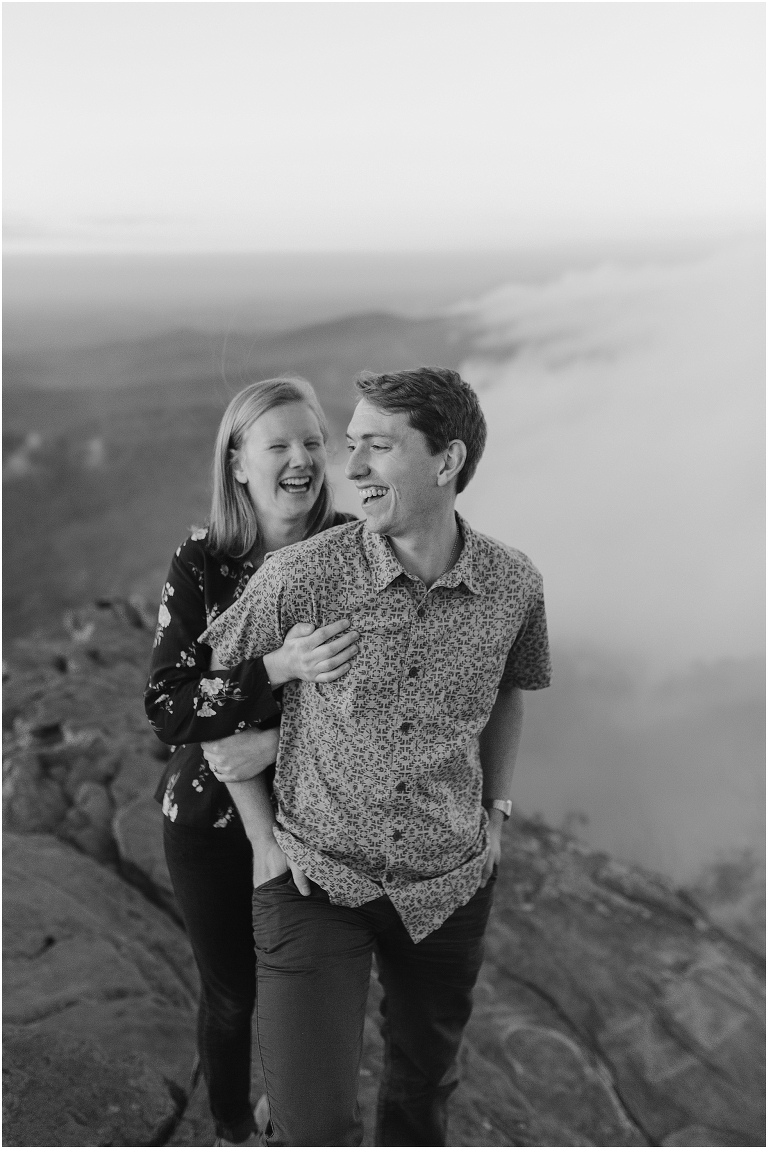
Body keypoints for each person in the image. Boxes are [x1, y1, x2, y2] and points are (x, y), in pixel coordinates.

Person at [201, 366, 552, 1147]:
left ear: (447, 461)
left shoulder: (513, 585)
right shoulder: (303, 573)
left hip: (450, 880)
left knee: (421, 1097)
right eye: (350, 446)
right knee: (314, 1125)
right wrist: (262, 835)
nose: (349, 469)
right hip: (311, 875)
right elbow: (207, 691)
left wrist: (495, 812)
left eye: (377, 448)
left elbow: (508, 694)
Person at [144, 376, 359, 1148]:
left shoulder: (354, 552)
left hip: (324, 811)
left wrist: (272, 740)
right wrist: (272, 667)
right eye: (279, 445)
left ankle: (300, 1123)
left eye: (312, 441)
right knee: (233, 995)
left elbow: (377, 705)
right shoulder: (202, 561)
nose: (301, 458)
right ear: (238, 463)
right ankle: (234, 1127)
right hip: (205, 820)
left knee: (313, 994)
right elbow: (169, 706)